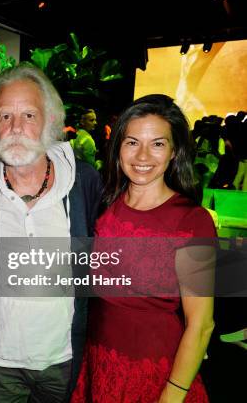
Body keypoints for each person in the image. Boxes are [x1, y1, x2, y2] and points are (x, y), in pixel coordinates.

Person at [0, 64, 103, 402]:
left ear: (50, 121)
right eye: (5, 116)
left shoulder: (83, 182)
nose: (15, 128)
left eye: (28, 115)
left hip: (63, 358)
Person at [71, 94, 216, 402]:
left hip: (156, 374)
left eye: (158, 144)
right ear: (118, 146)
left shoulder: (192, 221)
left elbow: (202, 324)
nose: (142, 155)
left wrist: (173, 395)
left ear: (175, 151)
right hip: (97, 360)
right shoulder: (104, 205)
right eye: (133, 142)